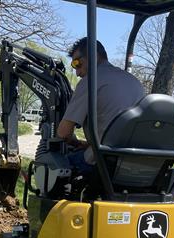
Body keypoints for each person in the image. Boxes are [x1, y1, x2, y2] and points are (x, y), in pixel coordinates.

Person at [57, 37, 145, 177]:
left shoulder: (91, 81)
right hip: (137, 162)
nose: (77, 72)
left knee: (54, 166)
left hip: (104, 163)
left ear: (93, 56)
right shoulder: (135, 82)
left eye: (77, 63)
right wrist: (88, 144)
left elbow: (63, 132)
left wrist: (72, 140)